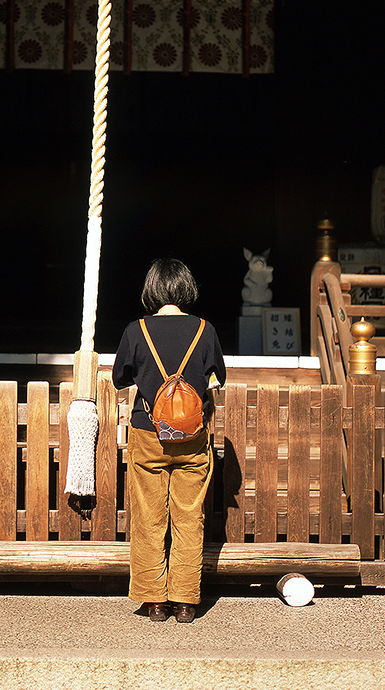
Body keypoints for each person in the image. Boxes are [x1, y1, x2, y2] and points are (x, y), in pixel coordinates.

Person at [112, 258, 226, 624]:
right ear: (186, 288)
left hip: (148, 431)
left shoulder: (136, 330)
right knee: (190, 517)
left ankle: (155, 601)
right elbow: (218, 377)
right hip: (192, 435)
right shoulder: (205, 330)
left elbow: (118, 378)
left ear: (152, 290)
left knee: (148, 516)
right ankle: (185, 602)